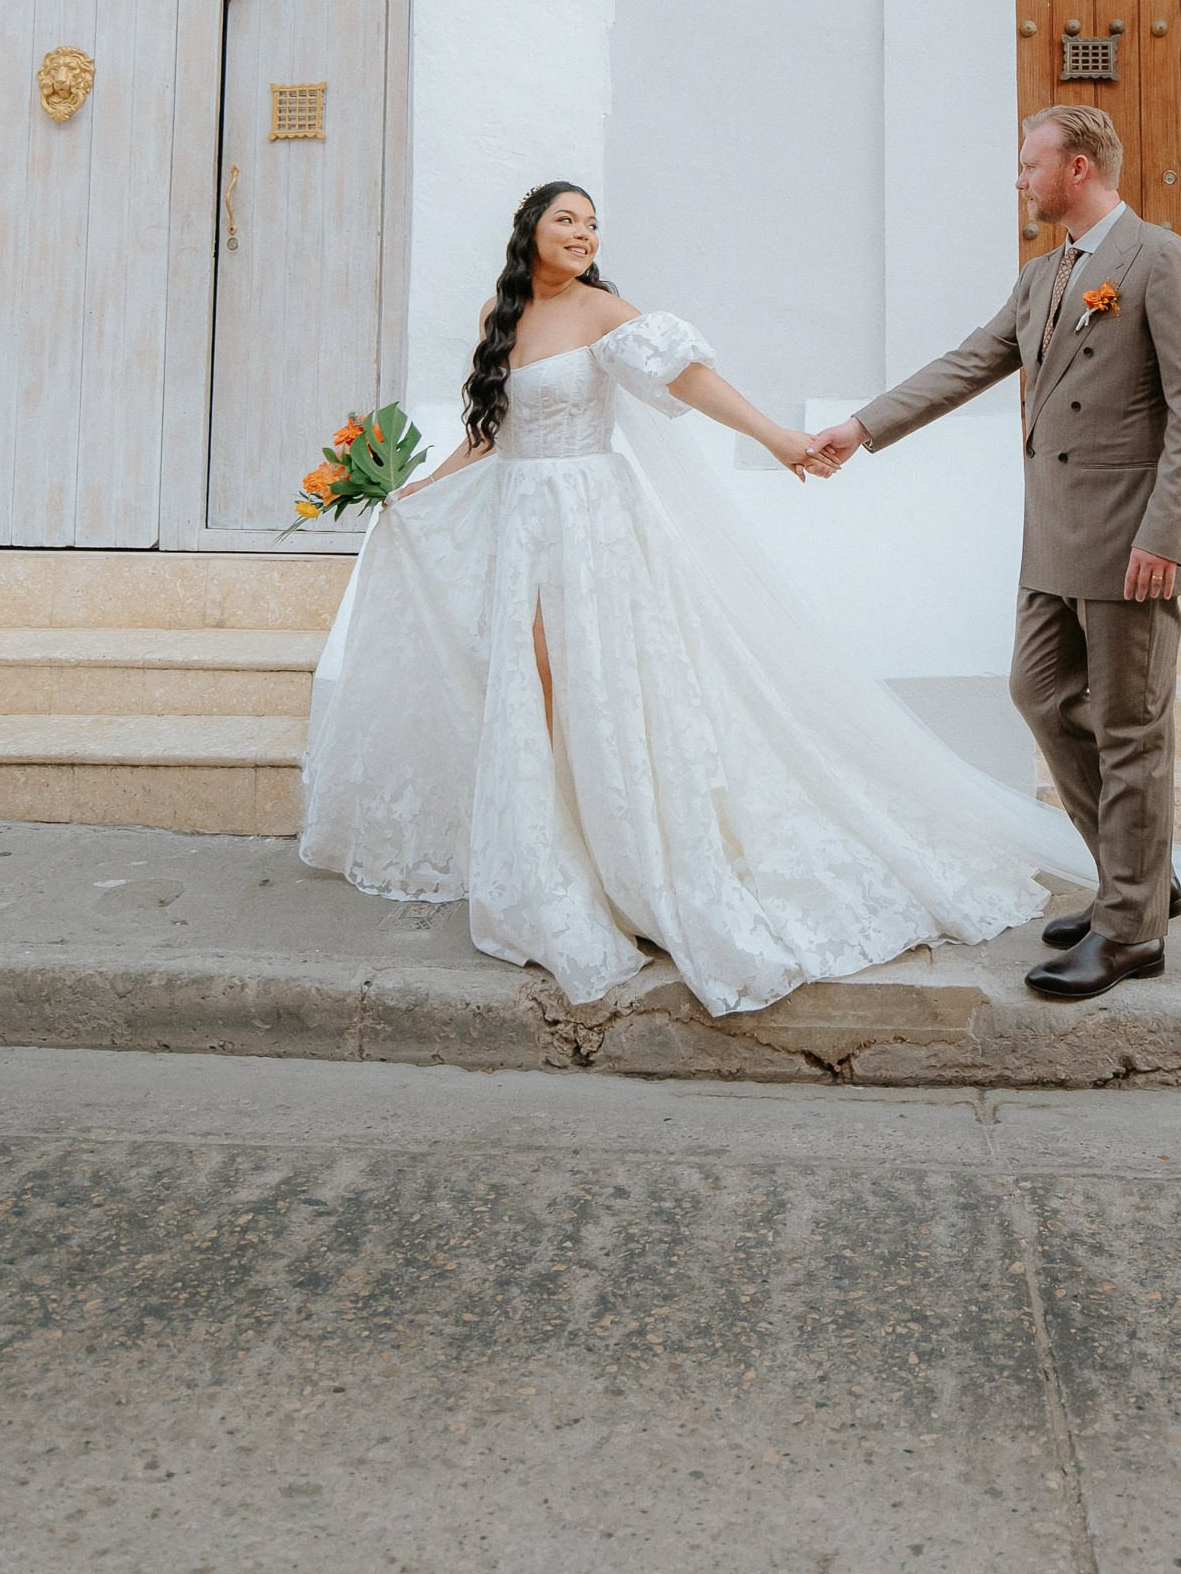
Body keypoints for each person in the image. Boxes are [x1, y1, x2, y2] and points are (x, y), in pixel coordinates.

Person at [298, 178, 1099, 1018]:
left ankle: (632, 860)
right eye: (565, 219)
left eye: (592, 223)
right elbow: (487, 434)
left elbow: (688, 379)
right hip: (522, 518)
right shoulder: (500, 321)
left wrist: (778, 437)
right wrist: (415, 492)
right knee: (529, 680)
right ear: (529, 229)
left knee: (592, 680)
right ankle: (554, 860)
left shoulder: (604, 311)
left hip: (590, 522)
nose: (581, 232)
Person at [805, 106, 1181, 1005]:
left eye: (1028, 165)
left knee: (1130, 729)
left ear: (1076, 169)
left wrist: (1163, 532)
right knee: (1037, 695)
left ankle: (1128, 930)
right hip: (1053, 541)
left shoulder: (1159, 260)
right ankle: (1140, 876)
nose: (1019, 179)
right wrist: (859, 427)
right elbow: (968, 362)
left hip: (1129, 544)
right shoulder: (1044, 276)